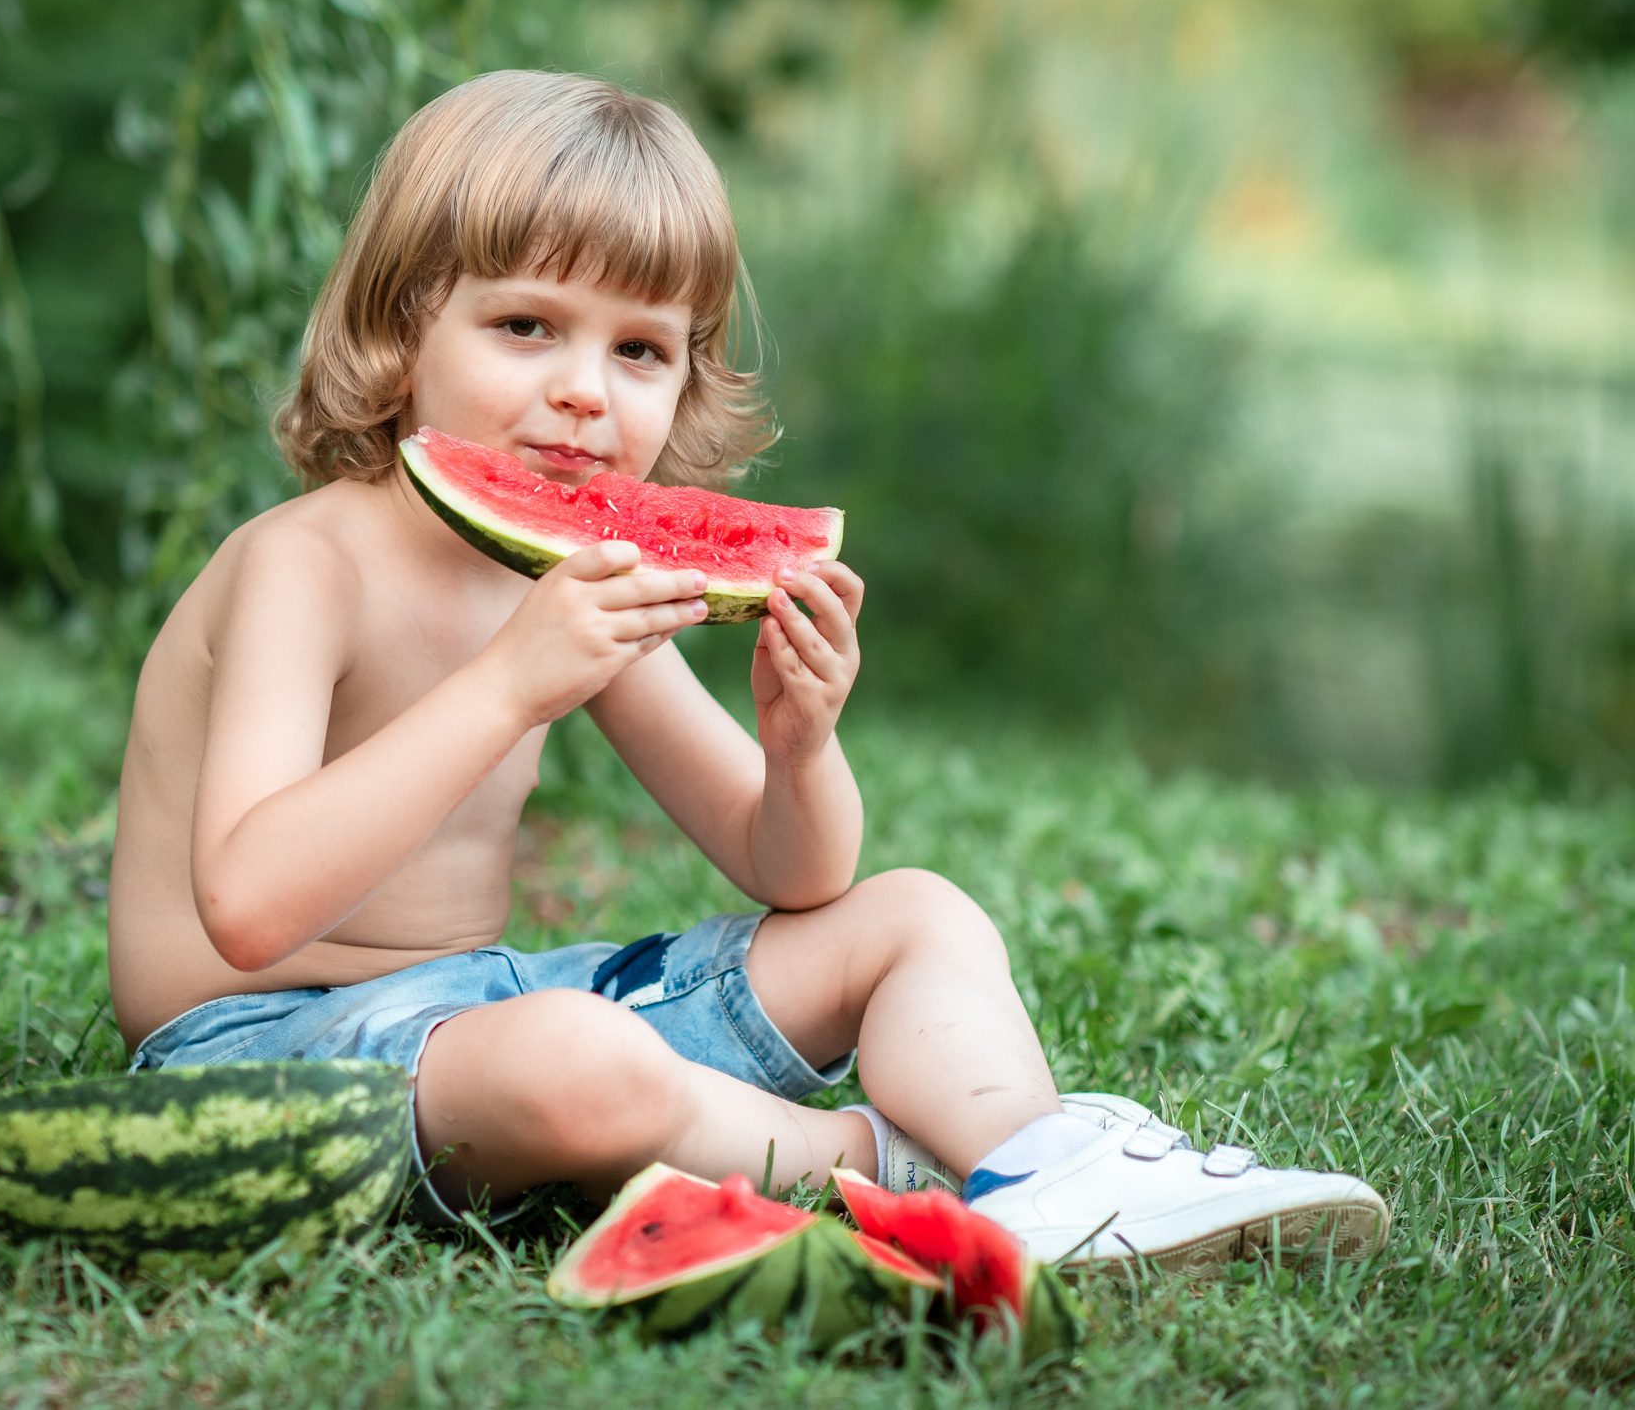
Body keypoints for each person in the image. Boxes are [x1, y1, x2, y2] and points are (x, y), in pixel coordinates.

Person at [104, 69, 1388, 1268]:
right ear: (400, 325)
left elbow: (797, 874)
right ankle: (896, 1164)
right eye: (525, 325)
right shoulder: (303, 566)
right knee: (575, 1057)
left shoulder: (572, 571)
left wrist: (797, 741)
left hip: (484, 1008)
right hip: (260, 1052)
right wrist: (506, 682)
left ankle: (1039, 1160)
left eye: (638, 351)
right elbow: (250, 905)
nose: (581, 395)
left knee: (914, 909)